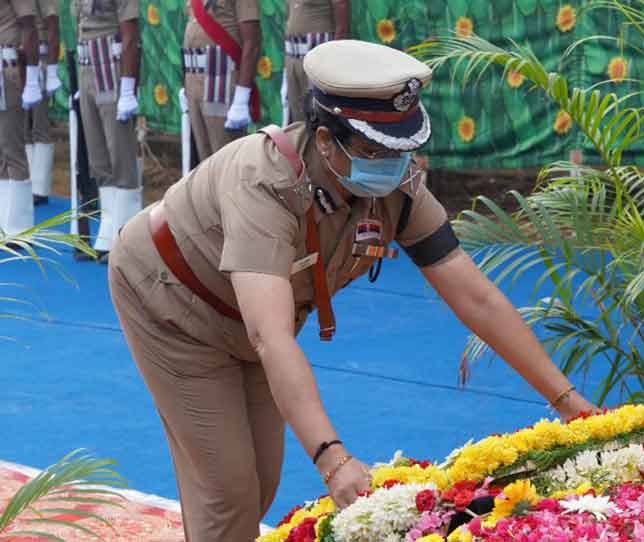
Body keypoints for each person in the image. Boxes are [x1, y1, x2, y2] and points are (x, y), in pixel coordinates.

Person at [108, 40, 593, 542]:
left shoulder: (397, 188)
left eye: (401, 150)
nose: (391, 164)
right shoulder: (266, 183)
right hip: (172, 300)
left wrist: (568, 402)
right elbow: (270, 338)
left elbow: (475, 297)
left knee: (260, 486)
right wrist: (332, 458)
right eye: (373, 151)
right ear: (324, 141)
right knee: (229, 491)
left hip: (247, 313)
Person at [74, 0, 141, 262]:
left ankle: (126, 232)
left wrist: (127, 87)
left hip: (110, 68)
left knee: (119, 154)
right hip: (87, 67)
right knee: (97, 158)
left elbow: (129, 35)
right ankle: (108, 226)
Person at [181, 0, 261, 162]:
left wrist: (242, 96)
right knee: (204, 159)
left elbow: (252, 41)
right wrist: (186, 85)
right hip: (193, 79)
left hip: (220, 81)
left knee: (225, 157)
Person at [0, 0, 43, 236]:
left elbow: (29, 26)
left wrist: (33, 77)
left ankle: (20, 228)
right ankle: (4, 222)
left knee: (13, 148)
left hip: (8, 69)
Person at [282, 0, 349, 124]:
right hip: (292, 57)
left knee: (317, 116)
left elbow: (342, 26)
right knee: (298, 119)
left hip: (317, 60)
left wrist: (333, 59)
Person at [27, 0, 61, 206]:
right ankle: (26, 182)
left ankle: (40, 188)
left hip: (39, 60)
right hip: (21, 60)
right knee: (22, 128)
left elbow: (52, 26)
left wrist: (51, 68)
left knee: (39, 125)